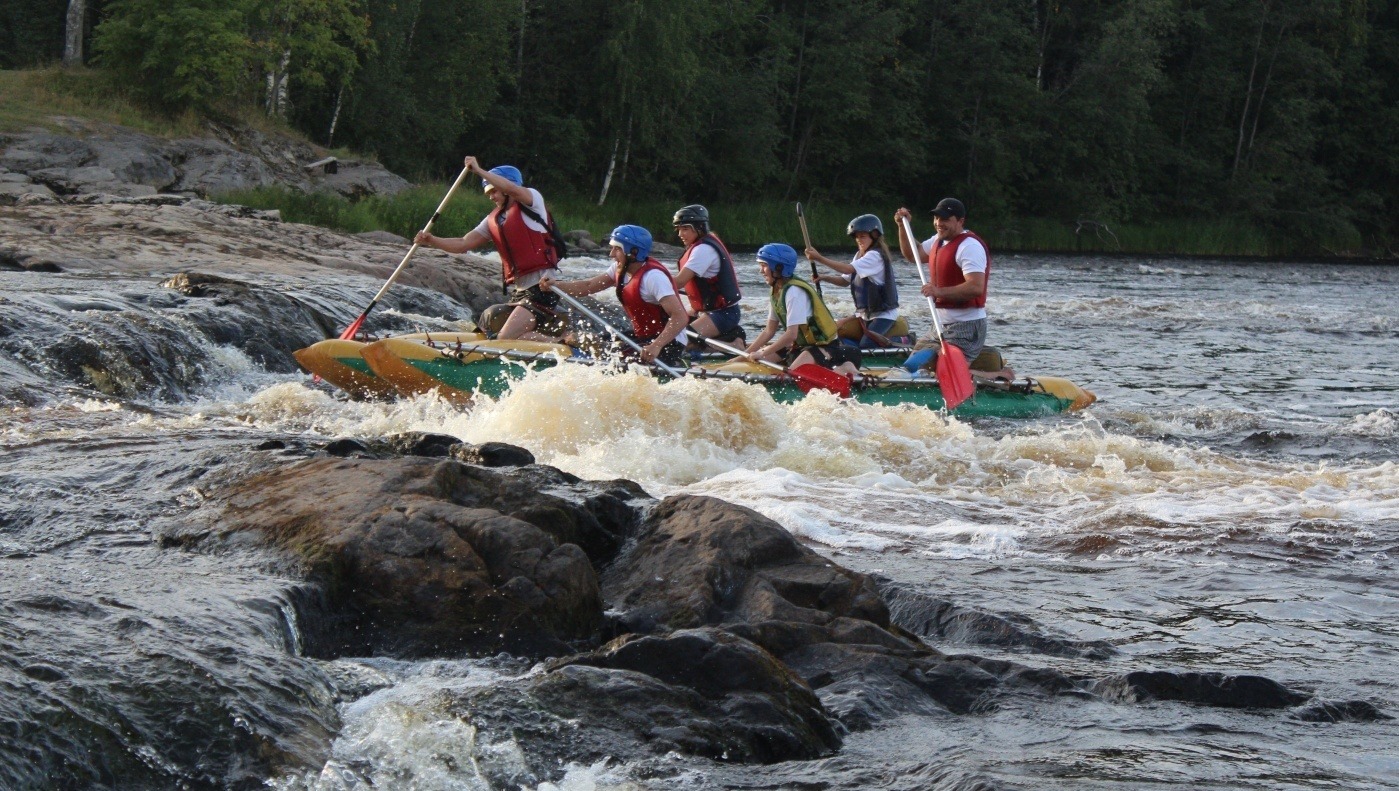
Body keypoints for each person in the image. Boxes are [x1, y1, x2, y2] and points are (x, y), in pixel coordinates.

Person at [414, 156, 566, 341]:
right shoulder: (494, 219)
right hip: (520, 292)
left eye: (494, 191)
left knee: (504, 339)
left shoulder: (533, 202)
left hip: (542, 290)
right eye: (488, 193)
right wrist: (432, 240)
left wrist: (479, 171)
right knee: (488, 321)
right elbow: (463, 243)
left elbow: (511, 189)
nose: (492, 197)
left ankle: (563, 342)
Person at [540, 225, 689, 366]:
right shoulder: (619, 268)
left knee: (609, 355)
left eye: (617, 249)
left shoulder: (654, 277)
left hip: (668, 343)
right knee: (584, 341)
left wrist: (656, 346)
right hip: (644, 336)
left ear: (634, 252)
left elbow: (680, 317)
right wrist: (556, 285)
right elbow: (588, 286)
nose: (611, 254)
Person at [893, 198, 989, 375]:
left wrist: (937, 291)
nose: (938, 223)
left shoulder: (970, 247)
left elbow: (976, 287)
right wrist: (902, 227)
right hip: (939, 325)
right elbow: (913, 255)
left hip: (966, 327)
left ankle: (999, 375)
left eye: (945, 219)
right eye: (936, 218)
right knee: (911, 366)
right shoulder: (938, 240)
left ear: (960, 221)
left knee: (934, 371)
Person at [744, 243, 861, 379]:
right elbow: (768, 331)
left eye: (764, 266)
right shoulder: (777, 290)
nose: (761, 271)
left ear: (778, 268)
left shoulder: (794, 292)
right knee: (755, 360)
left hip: (826, 348)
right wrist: (743, 356)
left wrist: (762, 353)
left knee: (788, 377)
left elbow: (791, 335)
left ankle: (845, 367)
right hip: (801, 346)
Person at [804, 213, 904, 348]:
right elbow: (845, 280)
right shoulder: (859, 255)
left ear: (874, 235)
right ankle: (853, 350)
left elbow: (848, 269)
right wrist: (825, 278)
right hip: (864, 314)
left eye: (862, 236)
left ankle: (903, 340)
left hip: (884, 315)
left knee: (867, 344)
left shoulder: (875, 256)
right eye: (856, 237)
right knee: (837, 335)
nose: (858, 240)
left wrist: (819, 258)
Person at [671, 204, 745, 356]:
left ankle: (733, 345)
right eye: (678, 229)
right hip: (706, 311)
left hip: (724, 314)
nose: (680, 234)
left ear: (699, 228)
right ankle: (723, 339)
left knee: (678, 341)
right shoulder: (700, 245)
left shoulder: (704, 250)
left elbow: (678, 282)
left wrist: (651, 281)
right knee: (668, 331)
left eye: (685, 229)